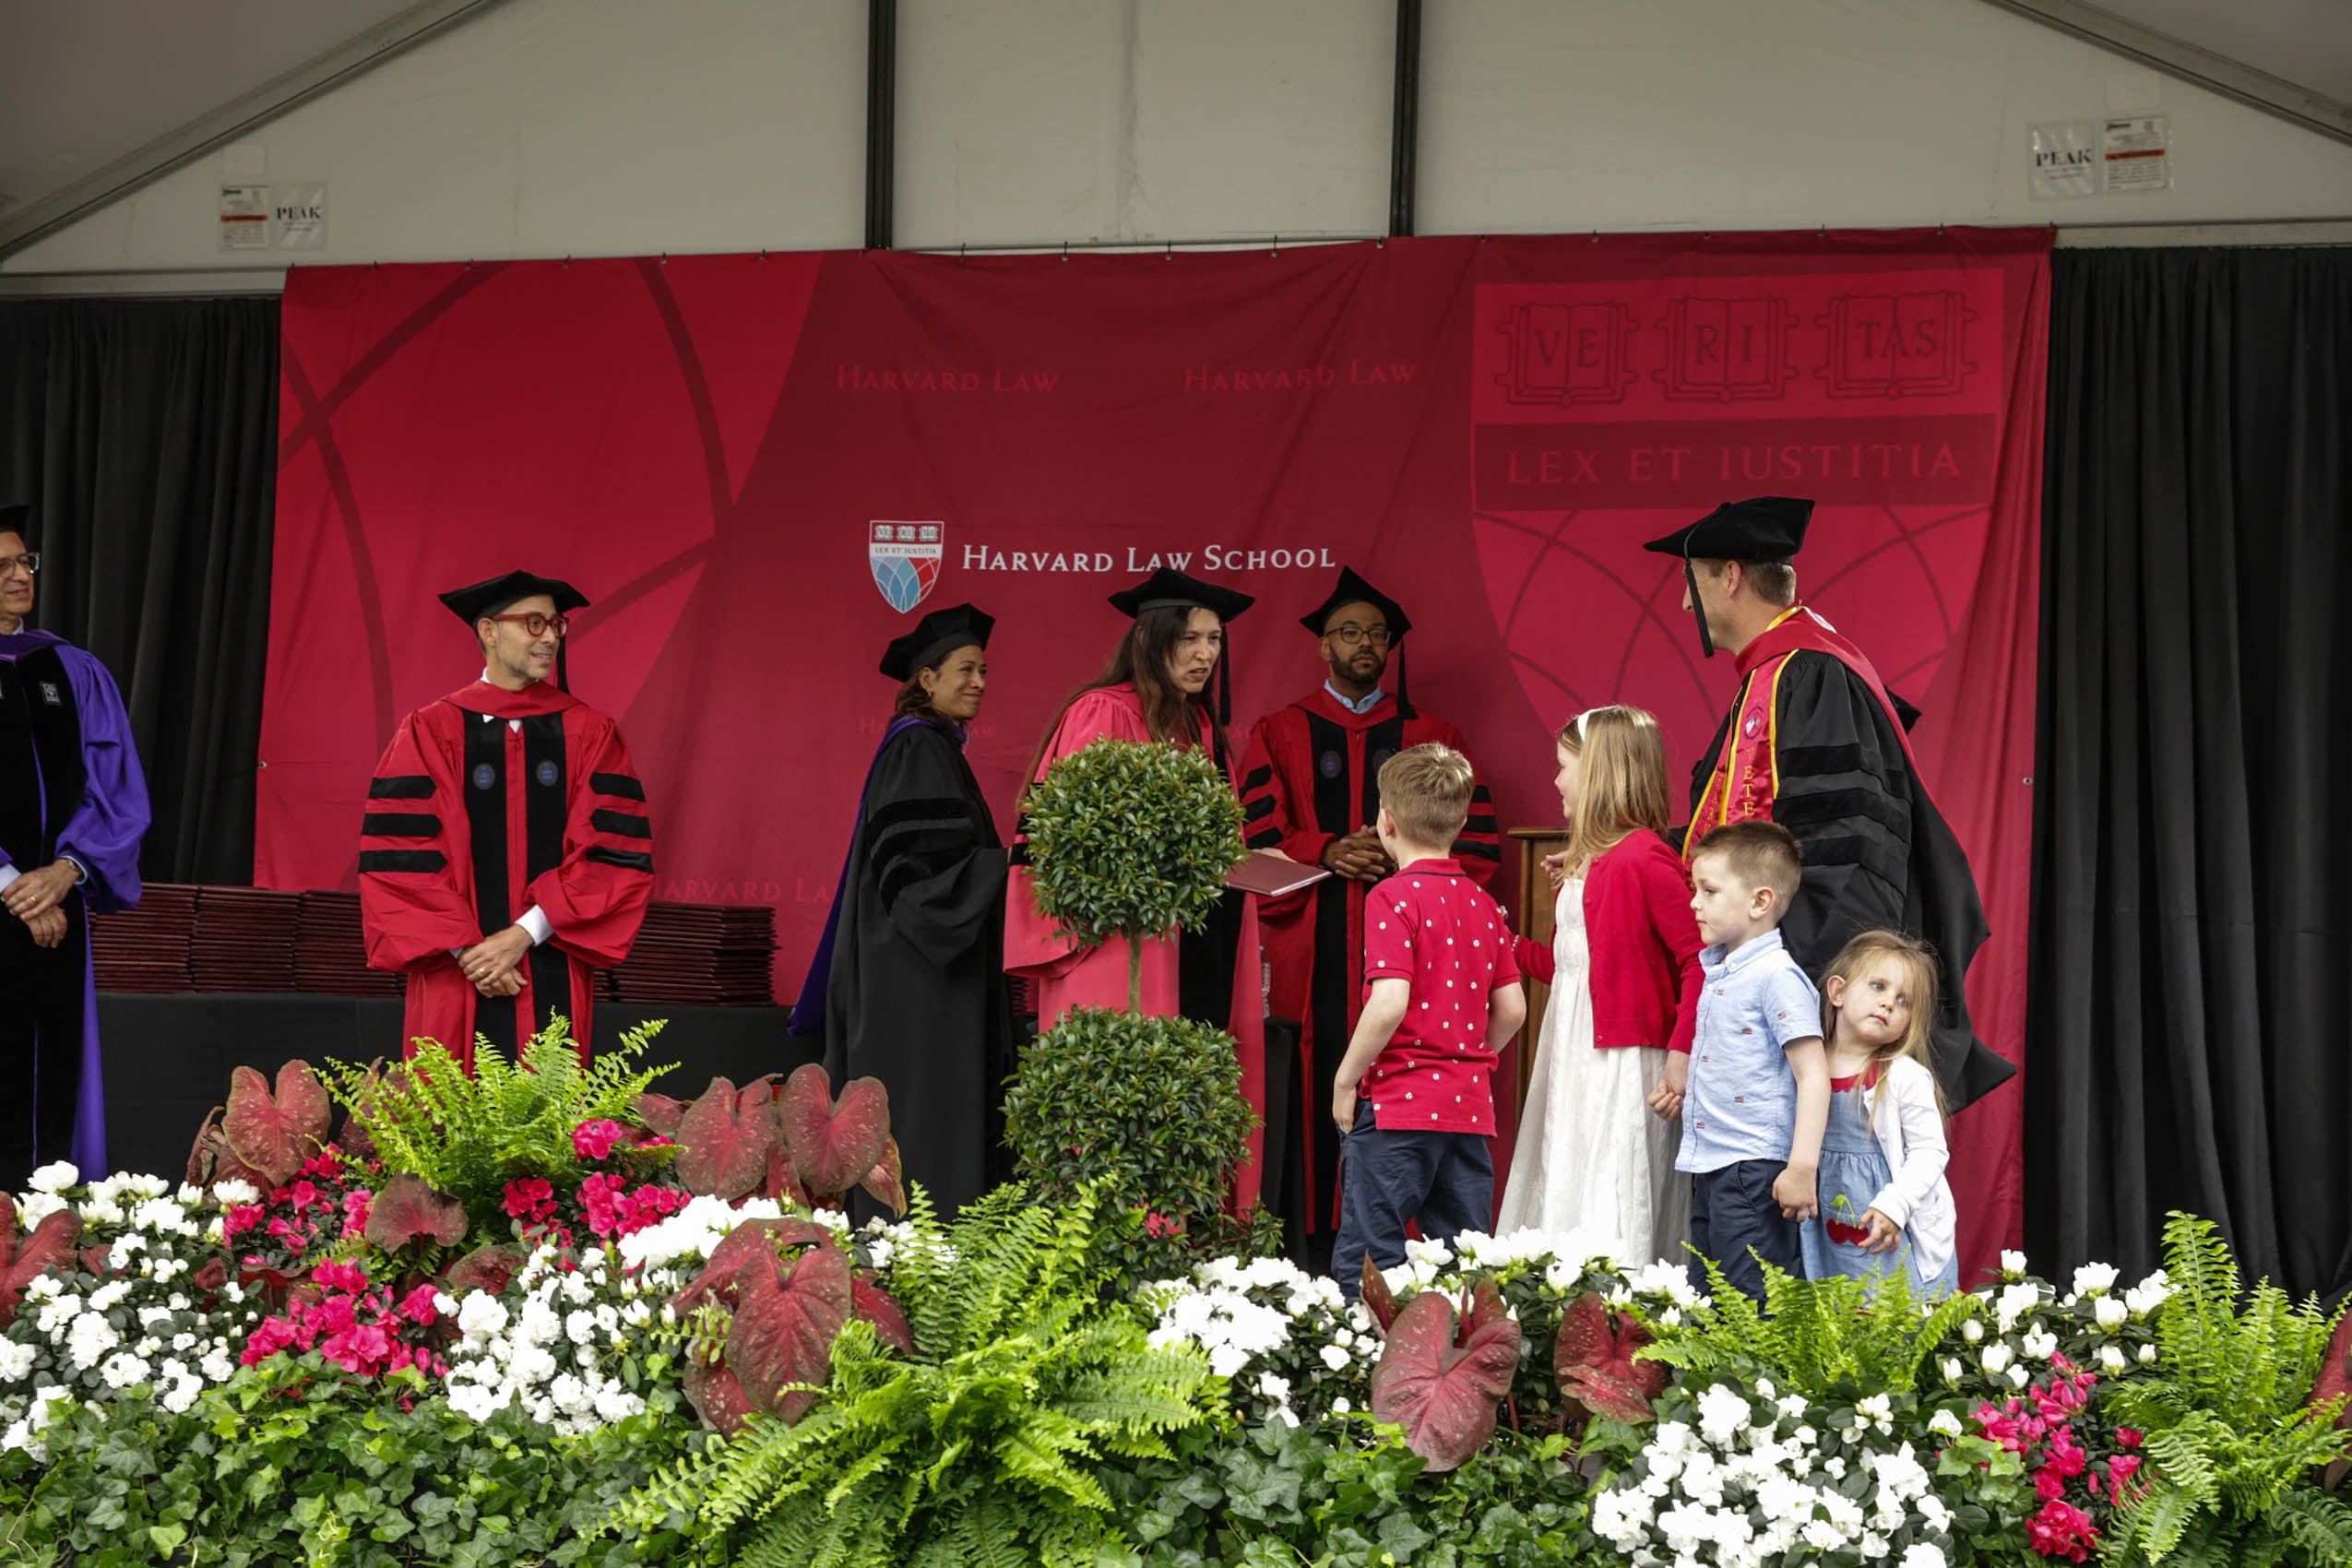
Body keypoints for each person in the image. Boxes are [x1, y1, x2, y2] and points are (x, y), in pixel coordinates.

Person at [1643, 496, 2014, 1114]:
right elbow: (1759, 827)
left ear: (1730, 577)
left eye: (1693, 581)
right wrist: (1643, 846)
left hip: (1815, 971)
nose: (1685, 602)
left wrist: (1803, 982)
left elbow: (1840, 838)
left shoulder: (1809, 675)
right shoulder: (1783, 673)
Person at [1238, 566, 1500, 1263]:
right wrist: (1325, 850)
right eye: (1348, 632)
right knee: (1314, 1080)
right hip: (1315, 944)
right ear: (1323, 644)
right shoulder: (1280, 730)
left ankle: (1380, 1259)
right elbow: (1251, 839)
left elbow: (1467, 845)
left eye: (1376, 634)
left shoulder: (1432, 734)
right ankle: (1308, 1247)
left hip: (1405, 950)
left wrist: (1408, 866)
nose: (1364, 644)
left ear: (1391, 646)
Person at [1005, 567, 1270, 1206]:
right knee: (1119, 1104)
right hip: (1120, 946)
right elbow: (1068, 844)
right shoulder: (1103, 711)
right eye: (1192, 639)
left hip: (1198, 938)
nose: (1207, 653)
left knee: (1192, 1092)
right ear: (1154, 640)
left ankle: (1197, 1241)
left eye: (1215, 639)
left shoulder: (1203, 731)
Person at [360, 571, 653, 1069]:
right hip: (458, 972)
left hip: (551, 953)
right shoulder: (430, 730)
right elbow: (403, 860)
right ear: (489, 632)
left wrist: (520, 936)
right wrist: (472, 953)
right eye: (534, 623)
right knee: (448, 1122)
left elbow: (610, 854)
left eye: (557, 626)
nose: (551, 638)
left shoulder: (591, 732)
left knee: (550, 1117)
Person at [792, 603, 1012, 1217]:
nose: (979, 683)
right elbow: (922, 882)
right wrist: (1016, 860)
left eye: (984, 671)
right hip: (920, 980)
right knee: (926, 1117)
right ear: (927, 679)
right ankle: (918, 1262)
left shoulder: (934, 748)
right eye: (965, 669)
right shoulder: (919, 749)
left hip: (920, 974)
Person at [1496, 707, 1701, 1263]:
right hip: (1574, 1055)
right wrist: (1506, 946)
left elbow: (1699, 963)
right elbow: (1575, 972)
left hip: (1624, 1063)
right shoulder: (1601, 861)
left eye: (1564, 766)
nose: (1556, 780)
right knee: (1570, 1180)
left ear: (1600, 773)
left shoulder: (1645, 859)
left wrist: (1681, 1054)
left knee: (1611, 1190)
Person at [1328, 744, 1525, 1298]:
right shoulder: (1483, 903)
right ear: (1461, 822)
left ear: (1385, 823)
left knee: (1372, 1258)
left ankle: (1369, 1376)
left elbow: (1389, 1001)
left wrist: (1346, 1080)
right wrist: (1466, 1059)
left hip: (1398, 1106)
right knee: (1466, 1261)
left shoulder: (1390, 896)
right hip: (1467, 1110)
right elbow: (1512, 1009)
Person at [0, 503, 148, 1186]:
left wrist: (64, 873)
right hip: (16, 904)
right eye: (1, 566)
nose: (18, 576)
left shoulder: (71, 669)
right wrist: (12, 887)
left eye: (24, 562)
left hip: (60, 908)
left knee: (53, 1073)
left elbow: (117, 788)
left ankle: (47, 1244)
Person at [1679, 820, 1830, 1301]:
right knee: (1710, 1297)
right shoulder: (1720, 971)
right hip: (1712, 1164)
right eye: (1694, 890)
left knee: (1753, 1301)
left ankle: (1757, 1381)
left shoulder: (1776, 976)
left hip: (1754, 1168)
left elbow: (1813, 1073)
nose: (1694, 903)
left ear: (1759, 902)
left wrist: (1802, 1166)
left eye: (1709, 890)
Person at [1799, 929, 1959, 1297]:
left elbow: (1930, 1152)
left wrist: (1895, 1205)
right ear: (1837, 991)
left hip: (1886, 1223)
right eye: (1878, 987)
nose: (1889, 1003)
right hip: (1825, 1222)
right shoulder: (1807, 1068)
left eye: (1904, 1001)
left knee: (1892, 1316)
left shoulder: (1903, 1076)